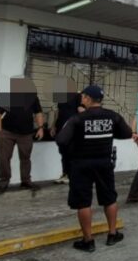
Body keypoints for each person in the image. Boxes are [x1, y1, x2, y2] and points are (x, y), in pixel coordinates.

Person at [56, 85, 133, 252]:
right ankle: (112, 234)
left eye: (83, 96)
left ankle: (88, 241)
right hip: (104, 164)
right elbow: (127, 133)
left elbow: (61, 140)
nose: (81, 98)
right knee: (109, 198)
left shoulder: (77, 119)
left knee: (83, 202)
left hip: (81, 165)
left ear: (89, 99)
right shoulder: (112, 116)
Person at [0, 79, 45, 195]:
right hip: (7, 133)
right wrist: (0, 132)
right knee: (4, 158)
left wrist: (40, 128)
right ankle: (3, 182)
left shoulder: (33, 98)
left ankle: (26, 181)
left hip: (26, 133)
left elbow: (38, 113)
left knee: (25, 158)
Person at [51, 91, 84, 184]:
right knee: (63, 152)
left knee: (71, 152)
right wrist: (54, 126)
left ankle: (72, 175)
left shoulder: (78, 96)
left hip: (72, 129)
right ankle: (65, 174)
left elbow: (81, 110)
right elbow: (58, 112)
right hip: (61, 129)